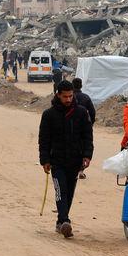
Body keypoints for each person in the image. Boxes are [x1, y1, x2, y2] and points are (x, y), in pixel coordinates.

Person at [38, 80, 94, 238]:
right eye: (65, 97)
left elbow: (87, 137)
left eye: (70, 96)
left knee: (69, 192)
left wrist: (87, 155)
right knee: (60, 190)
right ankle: (64, 220)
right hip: (57, 161)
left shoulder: (82, 113)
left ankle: (60, 223)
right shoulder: (49, 115)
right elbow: (44, 139)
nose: (68, 99)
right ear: (58, 95)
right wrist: (45, 160)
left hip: (75, 161)